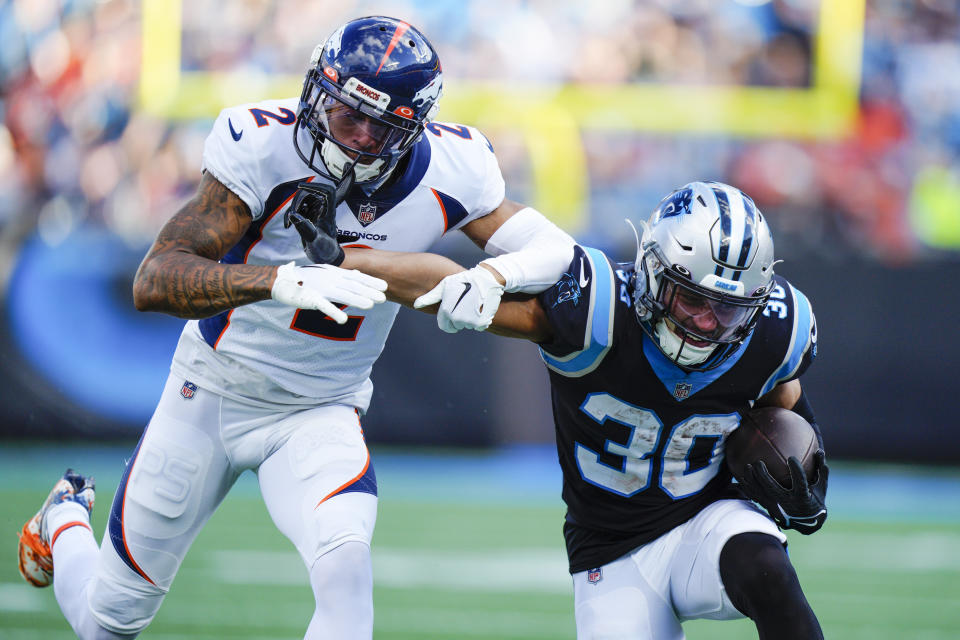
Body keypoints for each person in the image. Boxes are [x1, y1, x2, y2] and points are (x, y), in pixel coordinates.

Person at [16, 15, 574, 640]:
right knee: (106, 624)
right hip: (213, 392)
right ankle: (64, 523)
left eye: (377, 125)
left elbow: (555, 250)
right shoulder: (259, 142)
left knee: (345, 574)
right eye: (343, 113)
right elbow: (155, 279)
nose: (355, 135)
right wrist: (279, 280)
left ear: (412, 129)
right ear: (317, 89)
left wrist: (495, 277)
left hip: (320, 407)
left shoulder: (455, 164)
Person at [339, 180, 828, 639]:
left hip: (707, 514)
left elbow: (787, 407)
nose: (705, 323)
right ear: (653, 272)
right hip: (612, 549)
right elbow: (458, 286)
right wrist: (343, 261)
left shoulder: (776, 332)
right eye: (690, 299)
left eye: (727, 309)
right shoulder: (596, 308)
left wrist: (806, 479)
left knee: (768, 570)